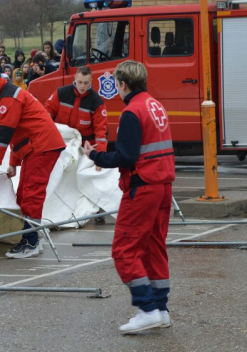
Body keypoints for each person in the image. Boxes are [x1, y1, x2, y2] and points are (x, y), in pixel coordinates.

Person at [83, 60, 175, 334]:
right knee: (154, 247)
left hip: (143, 185)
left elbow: (126, 156)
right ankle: (160, 309)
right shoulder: (155, 105)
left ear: (123, 84)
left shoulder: (131, 112)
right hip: (163, 184)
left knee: (124, 250)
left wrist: (94, 155)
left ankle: (147, 309)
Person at [0, 64, 65, 258]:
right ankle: (30, 238)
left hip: (42, 146)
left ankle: (31, 242)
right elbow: (17, 132)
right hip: (38, 146)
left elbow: (5, 132)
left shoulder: (8, 97)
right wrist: (13, 163)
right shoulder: (8, 94)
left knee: (31, 194)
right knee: (24, 193)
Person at [45, 66, 108, 170]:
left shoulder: (97, 102)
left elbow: (101, 132)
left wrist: (100, 158)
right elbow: (47, 112)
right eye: (80, 82)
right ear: (74, 79)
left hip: (85, 149)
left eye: (86, 83)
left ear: (91, 81)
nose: (82, 86)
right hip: (62, 144)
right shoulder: (61, 93)